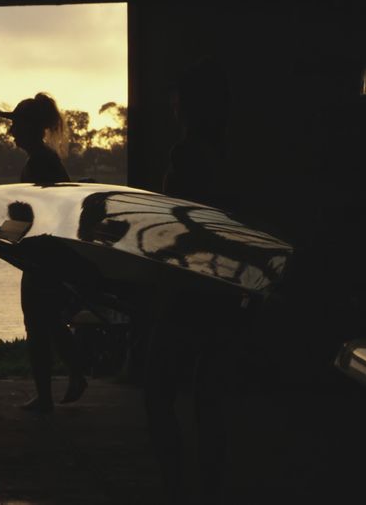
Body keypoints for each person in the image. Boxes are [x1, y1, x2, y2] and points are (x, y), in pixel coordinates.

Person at [147, 57, 233, 504]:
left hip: (187, 291)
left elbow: (178, 224)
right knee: (210, 401)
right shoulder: (228, 156)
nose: (173, 109)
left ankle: (175, 488)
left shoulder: (187, 155)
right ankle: (210, 489)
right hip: (222, 290)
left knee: (159, 395)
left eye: (178, 102)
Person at [0, 93, 88, 414]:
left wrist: (3, 234)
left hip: (43, 257)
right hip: (44, 255)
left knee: (39, 323)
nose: (11, 132)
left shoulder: (40, 162)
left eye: (16, 125)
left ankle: (53, 391)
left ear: (31, 127)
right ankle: (68, 378)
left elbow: (33, 213)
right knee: (45, 322)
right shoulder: (42, 159)